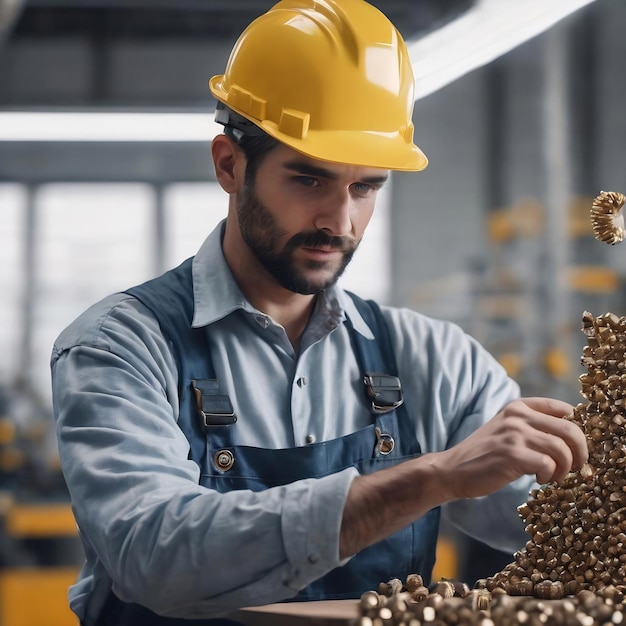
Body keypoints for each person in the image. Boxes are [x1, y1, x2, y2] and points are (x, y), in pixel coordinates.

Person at [50, 1, 588, 625]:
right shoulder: (120, 347)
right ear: (230, 164)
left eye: (365, 188)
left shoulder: (433, 359)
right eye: (309, 180)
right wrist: (431, 478)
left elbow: (562, 528)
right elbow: (155, 556)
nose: (340, 221)